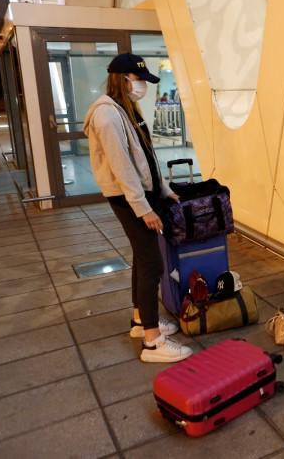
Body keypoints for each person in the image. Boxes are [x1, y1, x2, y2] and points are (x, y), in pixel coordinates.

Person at [83, 53, 192, 364]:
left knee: (142, 258)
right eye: (140, 80)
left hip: (142, 194)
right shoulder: (107, 116)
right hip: (130, 198)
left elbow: (146, 156)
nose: (143, 86)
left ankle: (138, 322)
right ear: (124, 79)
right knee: (152, 265)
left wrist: (164, 189)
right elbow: (123, 169)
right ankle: (153, 341)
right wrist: (144, 208)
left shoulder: (125, 109)